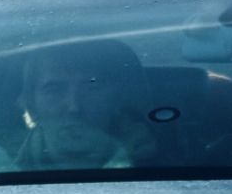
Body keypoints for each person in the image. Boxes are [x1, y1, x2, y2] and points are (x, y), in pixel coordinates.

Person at [16, 38, 156, 169]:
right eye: (54, 91)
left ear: (116, 101)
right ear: (31, 105)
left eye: (91, 88)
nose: (73, 107)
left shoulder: (161, 172)